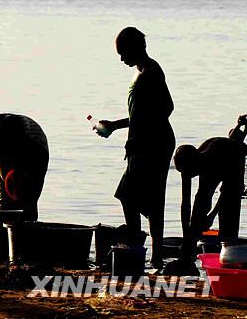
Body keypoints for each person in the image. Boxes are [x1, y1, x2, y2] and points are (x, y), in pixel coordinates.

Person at [98, 27, 175, 269]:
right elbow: (140, 114)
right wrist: (115, 125)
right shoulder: (142, 71)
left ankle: (146, 253)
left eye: (123, 53)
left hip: (154, 144)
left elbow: (166, 109)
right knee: (132, 196)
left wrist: (140, 137)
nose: (121, 59)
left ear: (135, 48)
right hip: (142, 143)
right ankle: (142, 250)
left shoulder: (152, 72)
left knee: (140, 197)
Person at [173, 116, 247, 262]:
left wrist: (212, 215)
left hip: (232, 158)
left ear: (196, 163)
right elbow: (186, 203)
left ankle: (229, 254)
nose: (187, 175)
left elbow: (227, 194)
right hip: (220, 152)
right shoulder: (188, 162)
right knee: (200, 206)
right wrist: (187, 236)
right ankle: (189, 254)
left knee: (229, 212)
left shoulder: (215, 159)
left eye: (189, 172)